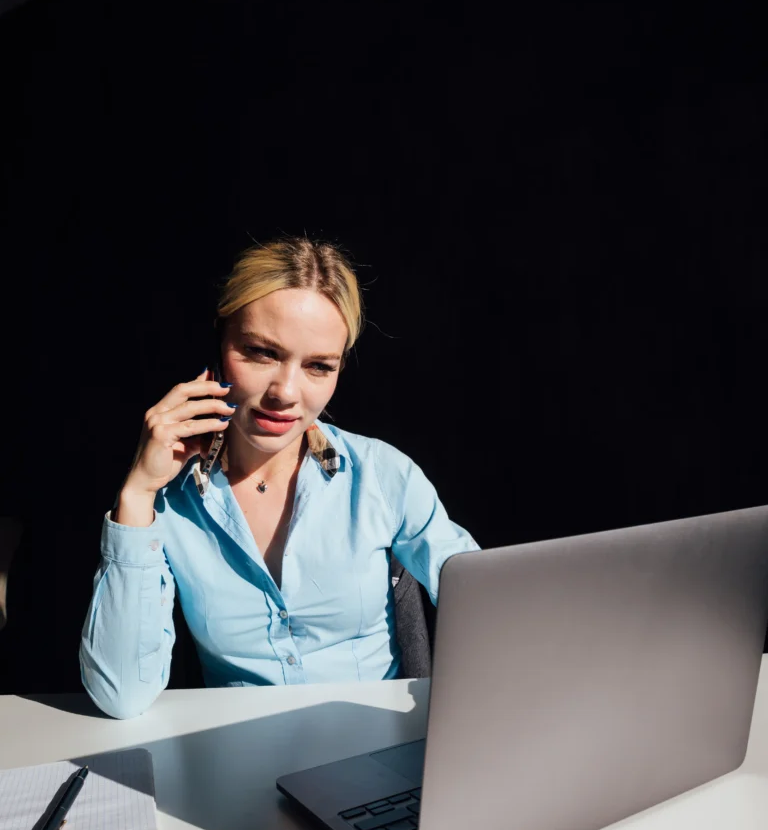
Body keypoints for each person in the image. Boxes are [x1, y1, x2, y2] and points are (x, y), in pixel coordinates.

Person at [80, 237, 479, 718]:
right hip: (237, 758)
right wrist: (137, 493)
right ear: (219, 343)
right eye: (261, 353)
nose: (286, 393)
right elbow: (121, 694)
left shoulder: (381, 475)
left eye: (317, 366)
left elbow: (493, 613)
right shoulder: (167, 502)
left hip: (376, 749)